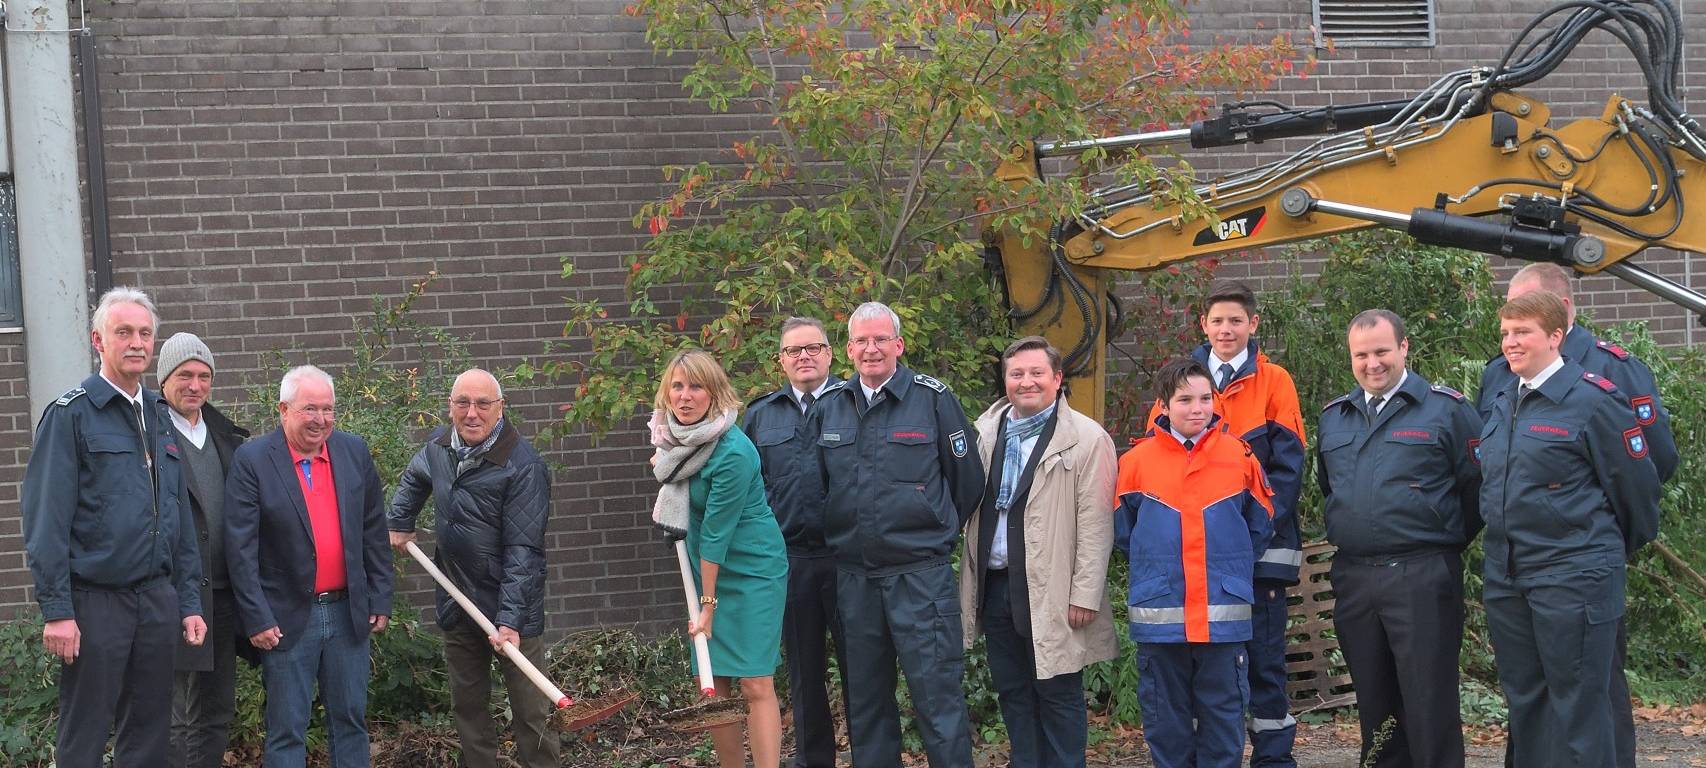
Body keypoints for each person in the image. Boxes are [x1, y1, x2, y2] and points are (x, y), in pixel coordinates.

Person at [1476, 262, 1675, 768]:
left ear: (1555, 335)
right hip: (1509, 577)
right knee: (1528, 704)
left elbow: (1637, 490)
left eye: (1523, 332)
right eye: (1506, 332)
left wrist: (1595, 553)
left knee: (1583, 710)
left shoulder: (1593, 399)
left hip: (1574, 576)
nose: (1510, 343)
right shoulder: (1504, 398)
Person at [22, 287, 208, 768]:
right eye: (123, 332)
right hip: (95, 603)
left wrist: (188, 601)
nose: (136, 343)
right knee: (83, 734)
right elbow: (46, 520)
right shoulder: (71, 415)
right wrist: (58, 610)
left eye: (145, 333)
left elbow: (179, 518)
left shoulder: (160, 415)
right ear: (98, 340)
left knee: (149, 736)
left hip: (157, 601)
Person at [809, 301, 986, 767]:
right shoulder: (831, 406)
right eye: (862, 341)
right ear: (849, 349)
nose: (872, 349)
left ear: (899, 345)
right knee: (866, 705)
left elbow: (968, 483)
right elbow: (822, 486)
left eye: (881, 339)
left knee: (938, 701)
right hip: (856, 580)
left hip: (920, 578)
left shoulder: (933, 400)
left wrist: (928, 525)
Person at [1147, 281, 1305, 767]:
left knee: (1264, 667)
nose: (1226, 329)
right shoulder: (1180, 381)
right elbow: (1156, 465)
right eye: (1217, 320)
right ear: (1203, 324)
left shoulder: (1274, 381)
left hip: (1261, 560)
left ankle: (1273, 760)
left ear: (1253, 324)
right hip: (1196, 571)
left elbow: (1288, 471)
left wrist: (1242, 542)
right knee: (1207, 678)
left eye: (1236, 320)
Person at [1316, 310, 1482, 768]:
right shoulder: (1335, 417)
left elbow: (1476, 488)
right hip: (1355, 578)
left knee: (1429, 702)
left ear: (1404, 347)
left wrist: (1438, 537)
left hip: (1422, 575)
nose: (1372, 363)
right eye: (1361, 355)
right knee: (1375, 701)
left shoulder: (1447, 410)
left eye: (1382, 351)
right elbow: (1332, 488)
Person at [959, 336, 1119, 768]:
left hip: (1054, 589)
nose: (1026, 381)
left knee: (1058, 692)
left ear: (1057, 378)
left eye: (1036, 373)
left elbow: (1097, 523)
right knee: (1012, 690)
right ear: (1005, 380)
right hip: (996, 586)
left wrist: (1085, 593)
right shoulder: (985, 432)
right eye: (1017, 373)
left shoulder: (1087, 439)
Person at [225, 364, 394, 768]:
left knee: (351, 722)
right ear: (283, 410)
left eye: (328, 409)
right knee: (286, 730)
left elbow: (374, 528)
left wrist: (380, 597)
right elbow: (240, 547)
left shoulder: (353, 452)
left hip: (348, 612)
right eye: (310, 409)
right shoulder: (253, 460)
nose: (321, 419)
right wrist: (256, 616)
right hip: (285, 617)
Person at [388, 369, 558, 768]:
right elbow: (415, 476)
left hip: (511, 607)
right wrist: (399, 520)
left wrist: (510, 619)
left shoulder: (523, 466)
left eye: (483, 403)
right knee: (468, 707)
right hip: (457, 598)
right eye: (462, 403)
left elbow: (524, 551)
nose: (472, 413)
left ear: (500, 409)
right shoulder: (439, 446)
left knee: (531, 712)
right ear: (450, 407)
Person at [1115, 357, 1274, 768]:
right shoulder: (1135, 463)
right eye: (1185, 400)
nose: (1197, 408)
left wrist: (1228, 572)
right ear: (1164, 405)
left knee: (1224, 722)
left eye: (1205, 398)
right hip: (1160, 617)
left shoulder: (1239, 456)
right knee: (1165, 723)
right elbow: (1123, 534)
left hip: (1222, 616)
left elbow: (1260, 526)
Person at [650, 349, 788, 768]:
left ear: (714, 393)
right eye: (677, 386)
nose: (685, 396)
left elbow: (716, 534)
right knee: (712, 680)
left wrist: (707, 605)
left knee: (755, 682)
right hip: (705, 566)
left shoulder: (732, 452)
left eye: (696, 387)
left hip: (751, 570)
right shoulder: (673, 440)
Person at [739, 316, 846, 768]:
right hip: (790, 561)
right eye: (793, 350)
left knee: (862, 670)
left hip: (848, 560)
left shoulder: (854, 403)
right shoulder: (761, 415)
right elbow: (746, 485)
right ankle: (813, 760)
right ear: (780, 360)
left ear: (830, 354)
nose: (804, 356)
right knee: (804, 673)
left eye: (813, 347)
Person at [161, 332, 252, 768]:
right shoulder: (150, 434)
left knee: (217, 709)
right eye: (185, 375)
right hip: (175, 593)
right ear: (163, 379)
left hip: (223, 593)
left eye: (203, 376)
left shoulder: (224, 435)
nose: (195, 385)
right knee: (177, 714)